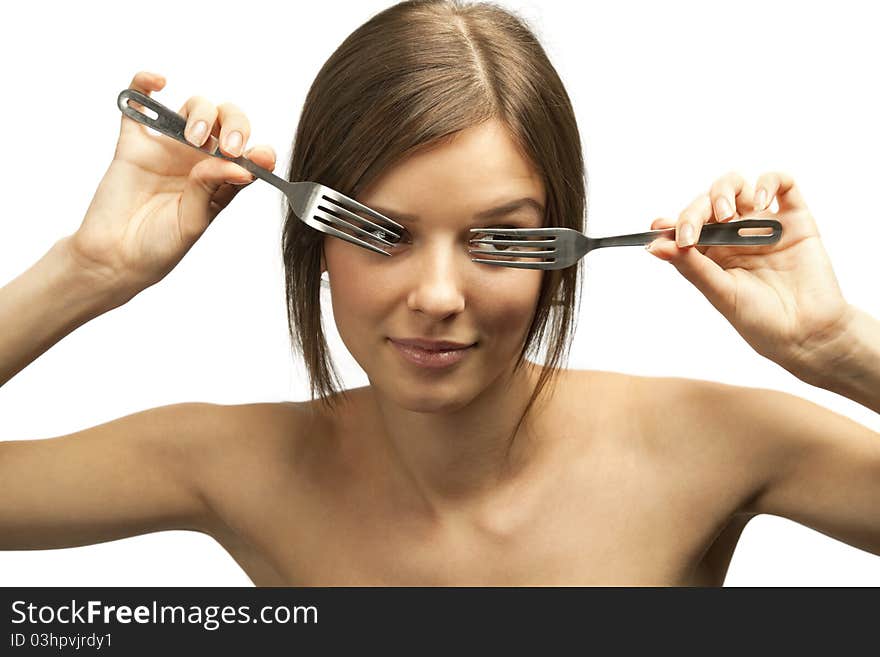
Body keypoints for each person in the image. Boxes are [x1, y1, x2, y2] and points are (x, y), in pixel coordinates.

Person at [1, 0, 878, 586]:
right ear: (315, 241)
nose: (437, 294)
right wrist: (89, 269)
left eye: (498, 239)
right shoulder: (228, 463)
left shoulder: (722, 444)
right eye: (383, 232)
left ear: (560, 251)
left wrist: (838, 346)